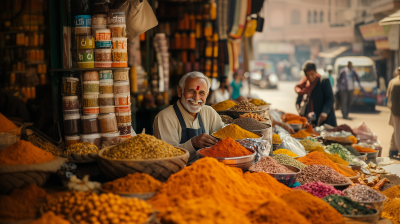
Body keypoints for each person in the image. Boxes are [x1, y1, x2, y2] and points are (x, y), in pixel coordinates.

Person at [153, 72, 224, 162]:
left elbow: (223, 137)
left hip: (207, 170)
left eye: (202, 93)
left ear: (207, 95)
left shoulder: (209, 112)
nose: (196, 98)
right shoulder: (164, 117)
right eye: (191, 91)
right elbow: (167, 158)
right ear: (180, 91)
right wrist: (192, 144)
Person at [295, 61, 337, 127]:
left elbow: (330, 98)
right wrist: (300, 112)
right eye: (307, 75)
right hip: (310, 122)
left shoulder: (323, 81)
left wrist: (324, 112)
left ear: (316, 72)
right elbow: (298, 101)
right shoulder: (304, 85)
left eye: (312, 74)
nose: (310, 77)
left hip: (324, 120)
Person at [388, 67, 400, 160]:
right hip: (395, 110)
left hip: (395, 110)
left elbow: (388, 95)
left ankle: (393, 149)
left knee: (396, 130)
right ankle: (394, 149)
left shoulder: (393, 81)